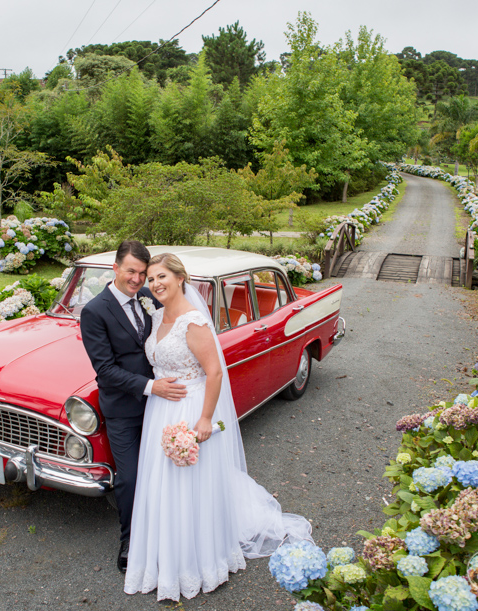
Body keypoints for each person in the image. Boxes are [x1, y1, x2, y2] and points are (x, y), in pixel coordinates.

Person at [124, 252, 313, 602]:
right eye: (151, 279)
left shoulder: (192, 321)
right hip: (159, 411)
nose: (155, 284)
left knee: (189, 484)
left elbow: (213, 372)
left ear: (181, 278)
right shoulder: (159, 316)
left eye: (162, 276)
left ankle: (199, 560)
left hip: (190, 407)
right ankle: (163, 557)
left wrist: (206, 418)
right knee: (162, 484)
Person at [80, 241, 187, 573]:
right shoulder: (95, 311)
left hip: (162, 405)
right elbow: (105, 370)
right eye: (131, 271)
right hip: (124, 408)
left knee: (168, 469)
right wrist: (150, 386)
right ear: (115, 268)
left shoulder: (151, 297)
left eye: (142, 273)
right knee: (129, 478)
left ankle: (170, 530)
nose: (138, 279)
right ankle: (129, 539)